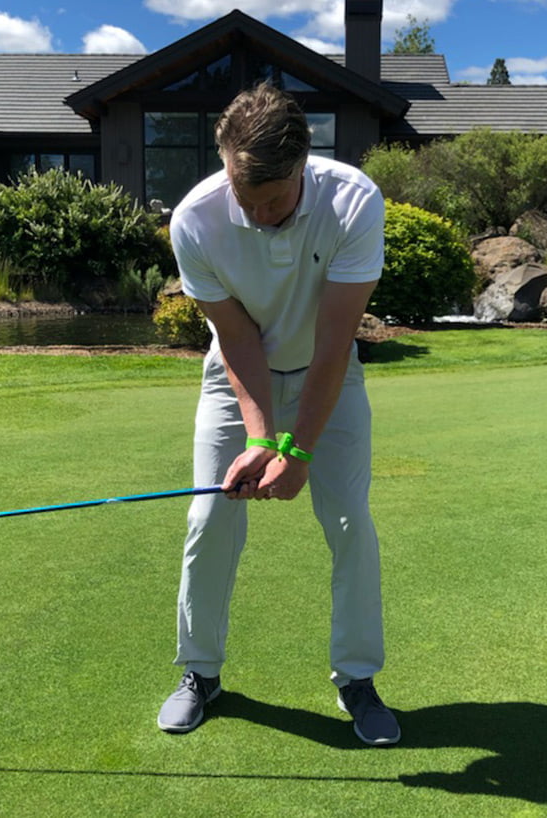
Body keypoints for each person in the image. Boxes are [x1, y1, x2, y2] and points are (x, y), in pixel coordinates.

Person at [156, 82, 399, 746]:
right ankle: (199, 673)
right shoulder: (195, 220)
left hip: (329, 375)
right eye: (246, 199)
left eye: (273, 201)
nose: (259, 215)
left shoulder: (353, 203)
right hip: (236, 378)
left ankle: (358, 679)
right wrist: (262, 438)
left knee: (351, 522)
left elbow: (331, 346)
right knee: (209, 515)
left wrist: (296, 453)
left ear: (303, 167)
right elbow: (236, 341)